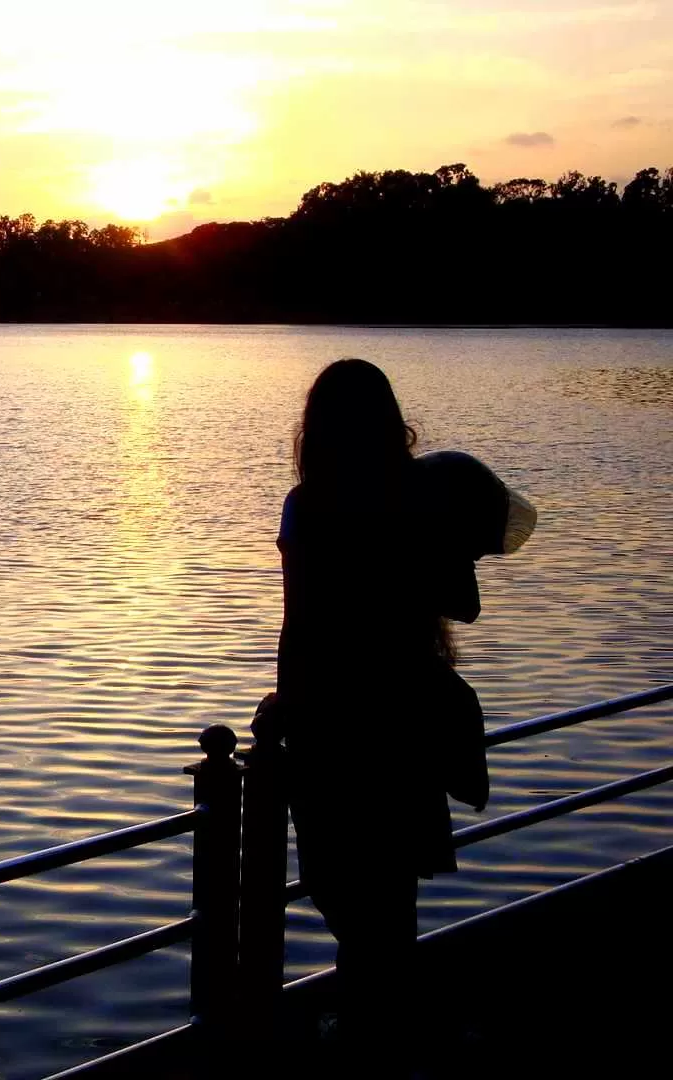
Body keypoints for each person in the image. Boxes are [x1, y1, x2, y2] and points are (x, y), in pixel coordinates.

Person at [267, 358, 535, 1068]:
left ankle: (372, 1041)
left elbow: (299, 626)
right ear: (390, 425)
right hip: (403, 722)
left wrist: (285, 705)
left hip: (335, 724)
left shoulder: (308, 505)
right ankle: (386, 1038)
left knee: (346, 894)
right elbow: (463, 607)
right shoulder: (416, 498)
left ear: (316, 429)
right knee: (388, 904)